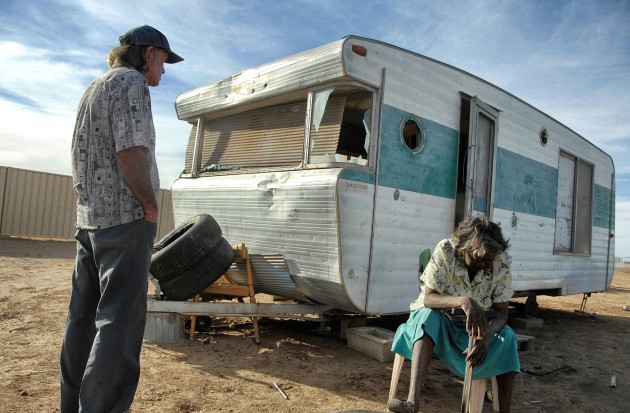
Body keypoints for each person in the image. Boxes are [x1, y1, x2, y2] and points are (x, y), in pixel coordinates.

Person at [59, 25, 183, 413]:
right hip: (124, 219)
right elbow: (130, 150)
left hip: (90, 221)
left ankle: (71, 405)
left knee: (83, 319)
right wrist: (149, 204)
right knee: (120, 321)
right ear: (148, 54)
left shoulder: (95, 87)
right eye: (164, 60)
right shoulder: (132, 84)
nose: (164, 70)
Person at [388, 216, 520, 413]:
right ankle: (412, 403)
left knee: (508, 337)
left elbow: (502, 315)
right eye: (480, 259)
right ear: (465, 249)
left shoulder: (500, 261)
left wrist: (486, 336)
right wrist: (463, 300)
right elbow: (429, 300)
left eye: (489, 260)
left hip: (475, 329)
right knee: (426, 317)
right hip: (441, 323)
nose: (486, 265)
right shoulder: (446, 250)